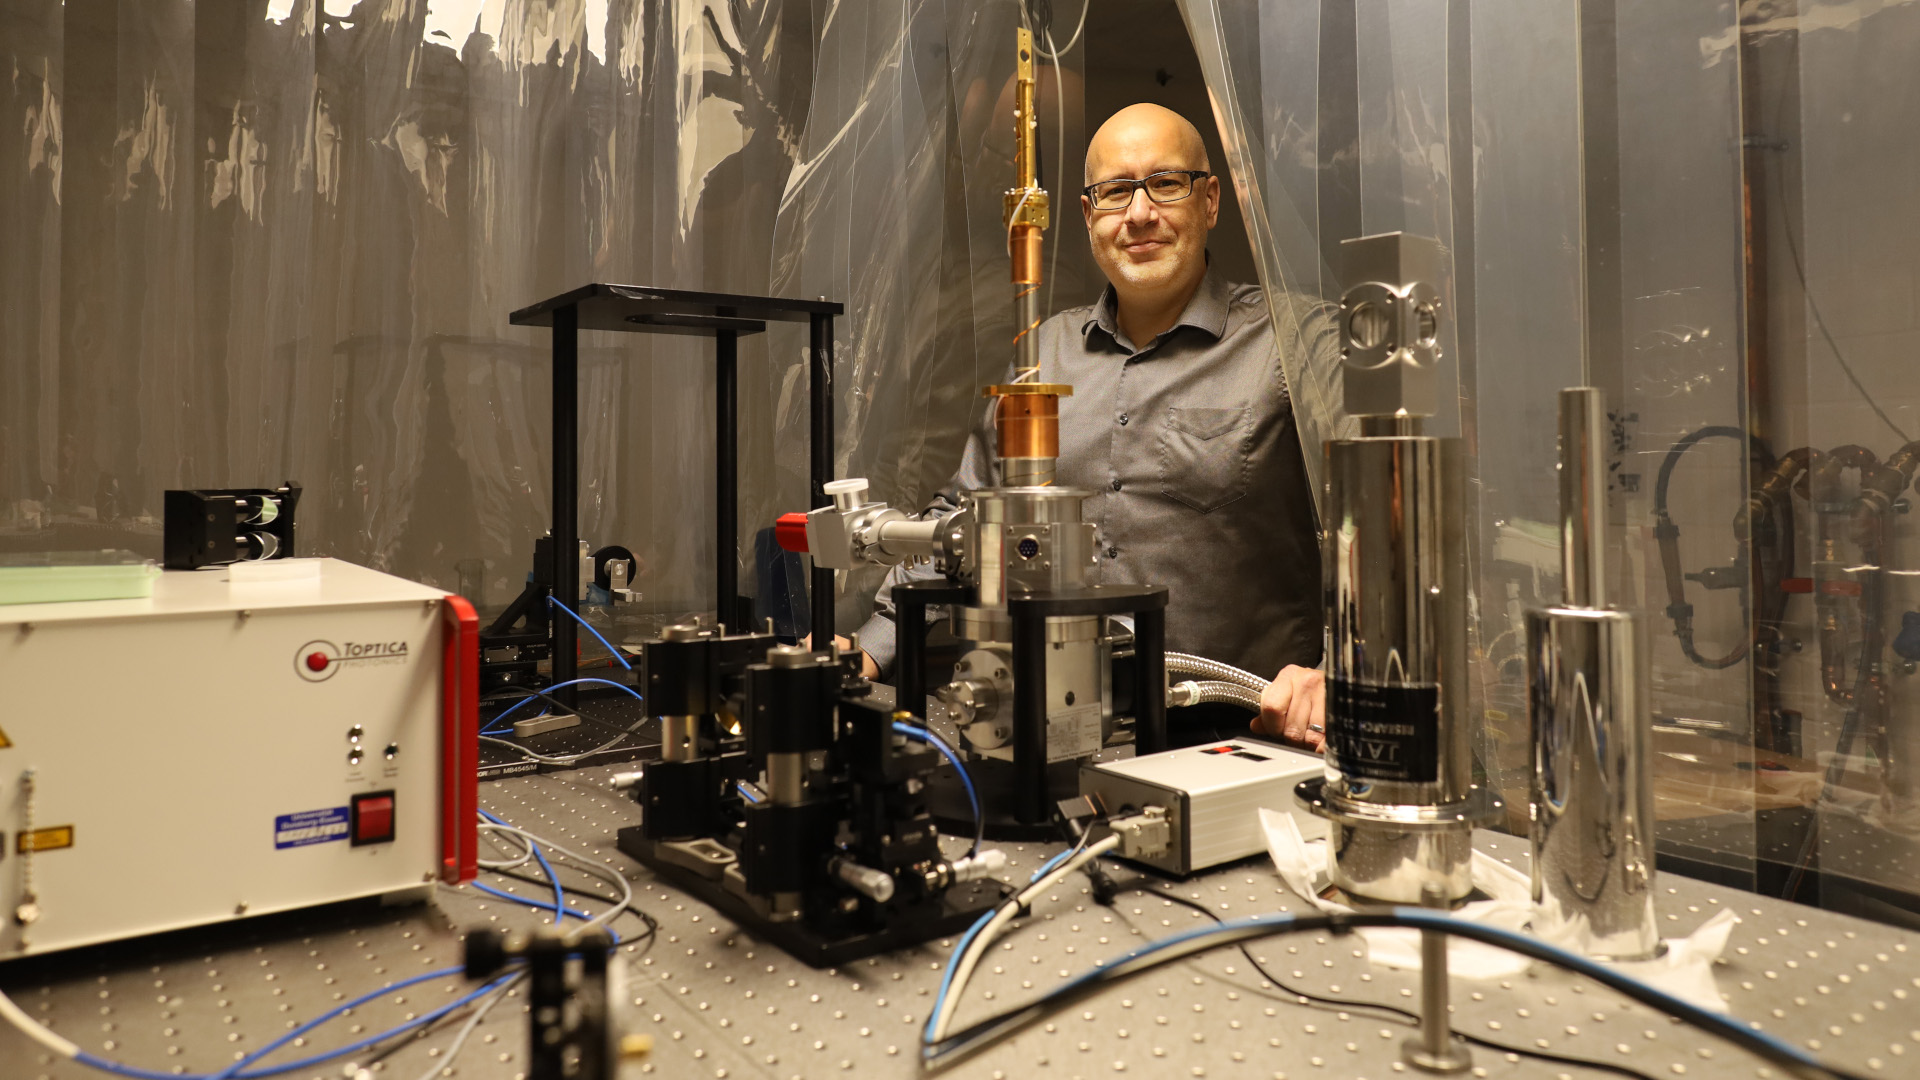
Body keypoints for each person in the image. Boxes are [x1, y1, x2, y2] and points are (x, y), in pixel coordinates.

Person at [847, 103, 1328, 751]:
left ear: (1210, 200)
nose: (1139, 214)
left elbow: (1382, 537)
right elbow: (966, 517)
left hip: (1233, 738)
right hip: (1053, 739)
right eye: (1115, 192)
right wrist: (868, 649)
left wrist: (1335, 675)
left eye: (1165, 183)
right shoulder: (1043, 355)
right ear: (1087, 214)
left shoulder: (1296, 346)